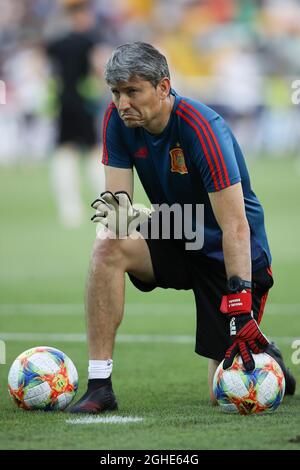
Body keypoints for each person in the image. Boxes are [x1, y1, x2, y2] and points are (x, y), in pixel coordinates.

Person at [68, 42, 296, 413]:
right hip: (178, 232)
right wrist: (121, 218)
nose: (123, 103)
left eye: (132, 91)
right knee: (108, 243)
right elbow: (120, 210)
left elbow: (236, 226)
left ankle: (269, 356)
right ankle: (99, 386)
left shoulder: (202, 127)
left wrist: (239, 301)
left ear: (163, 87)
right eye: (116, 92)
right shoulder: (117, 119)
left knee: (223, 394)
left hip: (230, 253)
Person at [46, 0, 106, 227]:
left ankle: (69, 208)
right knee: (93, 152)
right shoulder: (91, 41)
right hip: (85, 105)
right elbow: (99, 69)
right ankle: (102, 204)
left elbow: (47, 71)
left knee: (65, 152)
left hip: (63, 104)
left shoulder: (57, 43)